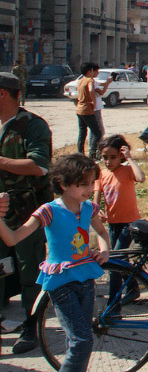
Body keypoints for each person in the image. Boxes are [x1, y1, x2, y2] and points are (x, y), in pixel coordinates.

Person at [0, 153, 110, 371]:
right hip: (61, 282)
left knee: (79, 338)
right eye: (82, 184)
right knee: (82, 341)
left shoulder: (88, 207)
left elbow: (102, 233)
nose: (89, 189)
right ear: (63, 183)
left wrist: (105, 250)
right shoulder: (49, 210)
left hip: (86, 278)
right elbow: (12, 238)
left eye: (91, 183)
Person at [0, 71, 53, 354]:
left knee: (28, 270)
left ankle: (32, 326)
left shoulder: (33, 126)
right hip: (0, 212)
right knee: (1, 268)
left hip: (26, 212)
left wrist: (2, 161)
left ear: (3, 94)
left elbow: (39, 165)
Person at [95, 135, 145, 307]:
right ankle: (132, 288)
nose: (108, 161)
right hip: (113, 224)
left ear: (121, 155)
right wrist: (97, 211)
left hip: (129, 224)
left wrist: (130, 158)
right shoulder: (101, 174)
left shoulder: (126, 171)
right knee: (120, 259)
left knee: (114, 262)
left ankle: (113, 304)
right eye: (105, 157)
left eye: (113, 157)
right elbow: (97, 197)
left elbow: (141, 177)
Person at [75, 62, 102, 158]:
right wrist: (94, 102)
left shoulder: (80, 80)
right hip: (87, 109)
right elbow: (91, 90)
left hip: (79, 108)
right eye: (92, 70)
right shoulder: (89, 80)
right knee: (97, 133)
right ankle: (92, 155)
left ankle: (80, 153)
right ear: (89, 72)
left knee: (82, 133)